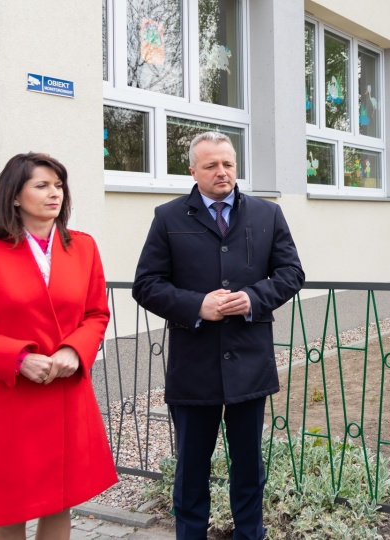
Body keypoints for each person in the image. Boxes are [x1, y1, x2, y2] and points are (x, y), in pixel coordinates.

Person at [133, 132, 304, 539]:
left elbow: (291, 273)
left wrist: (252, 298)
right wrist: (197, 306)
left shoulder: (267, 215)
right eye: (210, 165)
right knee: (191, 470)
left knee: (249, 469)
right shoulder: (168, 217)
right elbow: (146, 284)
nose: (221, 172)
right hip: (194, 367)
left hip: (249, 363)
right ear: (193, 171)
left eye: (227, 163)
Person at [0, 152, 117, 539]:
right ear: (15, 197)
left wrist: (75, 349)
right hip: (6, 397)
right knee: (9, 505)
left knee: (60, 499)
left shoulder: (82, 247)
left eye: (58, 186)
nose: (54, 193)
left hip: (64, 393)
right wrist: (17, 358)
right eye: (42, 185)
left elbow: (96, 314)